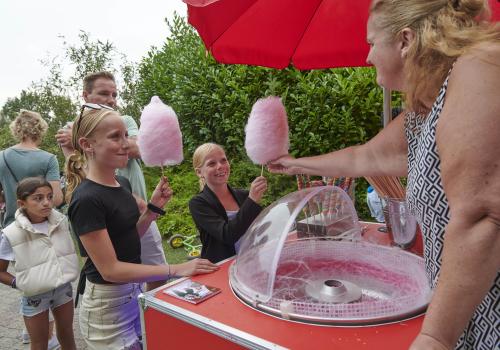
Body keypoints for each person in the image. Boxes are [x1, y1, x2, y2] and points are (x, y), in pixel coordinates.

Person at [269, 1, 499, 349]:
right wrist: (297, 163)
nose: (367, 57)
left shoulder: (479, 66)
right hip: (469, 312)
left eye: (372, 43)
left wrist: (435, 337)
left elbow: (482, 217)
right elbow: (365, 157)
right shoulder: (428, 109)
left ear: (405, 40)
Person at [66, 106, 218, 349]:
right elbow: (110, 270)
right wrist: (176, 268)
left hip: (132, 292)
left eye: (126, 135)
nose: (126, 143)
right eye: (115, 137)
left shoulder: (122, 183)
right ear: (87, 144)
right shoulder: (86, 199)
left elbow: (127, 239)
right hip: (107, 306)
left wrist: (152, 210)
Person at [56, 71, 167, 291]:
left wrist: (147, 206)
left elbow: (138, 149)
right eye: (104, 93)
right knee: (116, 278)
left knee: (155, 271)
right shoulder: (73, 130)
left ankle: (152, 318)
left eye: (114, 94)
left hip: (140, 210)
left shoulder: (124, 120)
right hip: (103, 215)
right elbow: (76, 172)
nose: (111, 99)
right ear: (86, 95)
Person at [0, 109, 63, 348]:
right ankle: (47, 336)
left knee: (28, 278)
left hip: (11, 226)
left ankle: (31, 330)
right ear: (40, 129)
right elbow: (55, 198)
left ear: (17, 129)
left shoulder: (2, 157)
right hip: (41, 228)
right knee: (46, 280)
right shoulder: (48, 159)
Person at [0, 177, 78, 350]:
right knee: (40, 342)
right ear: (22, 203)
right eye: (38, 198)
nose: (47, 203)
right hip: (34, 296)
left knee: (67, 333)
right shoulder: (11, 233)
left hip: (62, 287)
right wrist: (17, 283)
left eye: (50, 197)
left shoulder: (60, 222)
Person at [189, 143, 268, 263]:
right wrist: (252, 200)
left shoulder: (244, 195)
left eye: (223, 160)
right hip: (222, 267)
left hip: (251, 261)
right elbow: (228, 235)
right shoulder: (198, 203)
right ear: (199, 172)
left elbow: (259, 229)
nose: (220, 166)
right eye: (212, 163)